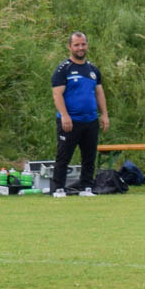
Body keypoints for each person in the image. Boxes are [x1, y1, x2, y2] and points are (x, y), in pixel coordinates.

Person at [50, 31, 108, 197]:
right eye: (76, 45)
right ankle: (58, 188)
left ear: (87, 45)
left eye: (83, 44)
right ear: (70, 47)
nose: (80, 48)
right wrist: (64, 115)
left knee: (89, 156)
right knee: (64, 156)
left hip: (90, 120)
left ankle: (86, 187)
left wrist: (104, 114)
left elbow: (99, 93)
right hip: (70, 120)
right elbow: (57, 94)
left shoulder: (93, 70)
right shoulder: (63, 69)